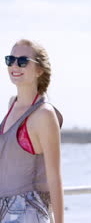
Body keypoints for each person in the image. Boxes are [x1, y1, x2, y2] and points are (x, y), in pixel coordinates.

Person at [0, 39, 64, 223]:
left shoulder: (44, 114)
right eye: (10, 60)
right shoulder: (12, 104)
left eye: (22, 61)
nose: (14, 65)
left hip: (29, 213)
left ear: (39, 70)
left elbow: (55, 178)